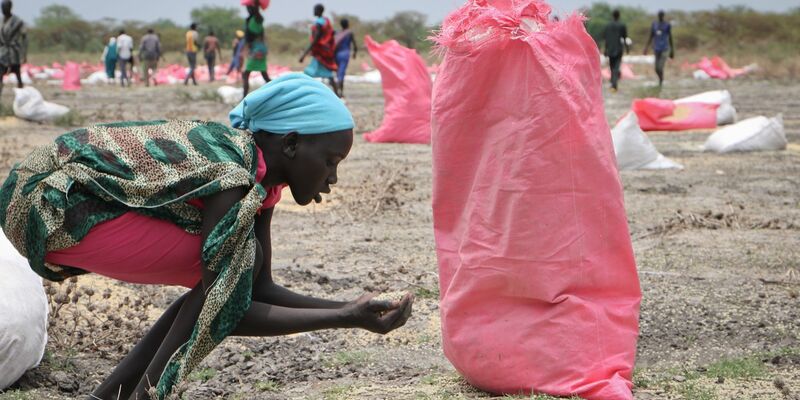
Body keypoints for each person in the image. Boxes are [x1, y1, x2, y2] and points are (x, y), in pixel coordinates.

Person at [0, 73, 414, 400]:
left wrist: (349, 307)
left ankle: (112, 396)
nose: (333, 178)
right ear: (290, 144)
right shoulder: (233, 173)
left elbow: (260, 287)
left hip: (69, 205)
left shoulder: (262, 182)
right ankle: (145, 394)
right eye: (329, 161)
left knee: (231, 270)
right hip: (48, 205)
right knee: (227, 272)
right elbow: (226, 306)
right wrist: (343, 318)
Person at [300, 4, 339, 96]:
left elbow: (316, 39)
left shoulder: (319, 23)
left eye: (315, 10)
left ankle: (306, 93)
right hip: (323, 52)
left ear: (319, 11)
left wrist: (304, 54)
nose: (313, 12)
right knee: (326, 74)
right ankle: (337, 95)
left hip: (319, 53)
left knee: (309, 73)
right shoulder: (326, 21)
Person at [0, 0, 27, 98]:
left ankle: (22, 96)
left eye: (5, 7)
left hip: (13, 52)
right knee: (1, 73)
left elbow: (24, 37)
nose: (3, 9)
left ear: (10, 8)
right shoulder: (1, 21)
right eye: (2, 7)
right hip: (3, 52)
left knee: (17, 73)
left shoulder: (17, 21)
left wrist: (24, 54)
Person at [242, 6, 271, 95]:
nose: (248, 10)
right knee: (264, 74)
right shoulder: (251, 20)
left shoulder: (257, 18)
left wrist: (256, 3)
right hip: (258, 48)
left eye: (249, 8)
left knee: (246, 74)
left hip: (257, 49)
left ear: (254, 9)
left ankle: (244, 97)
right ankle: (278, 90)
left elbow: (256, 10)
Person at [644, 10, 674, 87]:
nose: (660, 16)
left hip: (665, 48)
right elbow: (651, 36)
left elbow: (670, 37)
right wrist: (646, 47)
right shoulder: (654, 25)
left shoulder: (667, 25)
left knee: (660, 67)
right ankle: (661, 79)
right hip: (656, 48)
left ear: (663, 16)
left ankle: (661, 81)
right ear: (658, 16)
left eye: (661, 15)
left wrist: (672, 51)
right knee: (656, 68)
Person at [603, 9, 629, 93]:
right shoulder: (622, 25)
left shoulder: (608, 26)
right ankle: (614, 83)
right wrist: (627, 48)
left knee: (612, 67)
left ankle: (613, 83)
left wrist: (605, 49)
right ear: (619, 16)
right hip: (618, 49)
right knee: (616, 67)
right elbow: (625, 38)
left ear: (612, 15)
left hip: (610, 49)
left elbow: (606, 39)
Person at [334, 18, 358, 97]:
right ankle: (338, 93)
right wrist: (354, 53)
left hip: (336, 55)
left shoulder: (338, 33)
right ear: (347, 24)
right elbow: (355, 45)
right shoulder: (349, 33)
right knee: (341, 74)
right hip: (345, 54)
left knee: (339, 73)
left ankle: (339, 92)